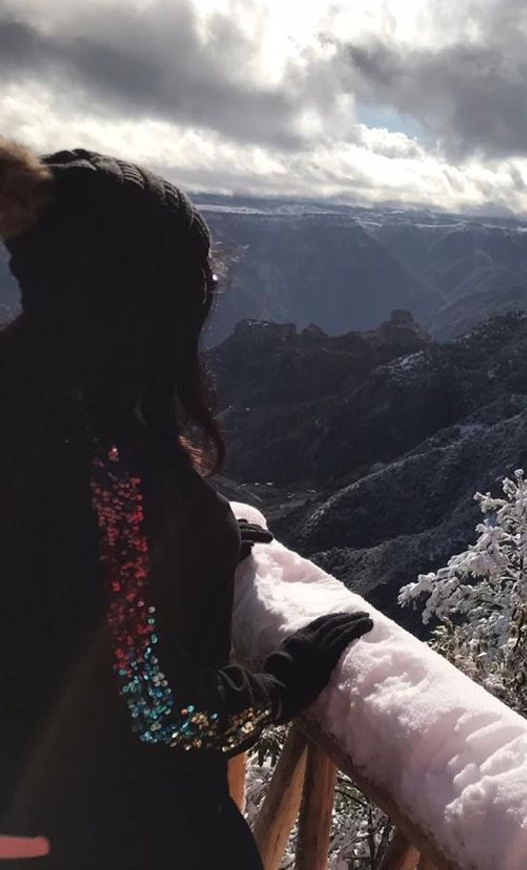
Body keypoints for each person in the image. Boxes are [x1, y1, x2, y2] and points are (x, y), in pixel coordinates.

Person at [0, 141, 375, 868]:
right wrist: (276, 687)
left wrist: (190, 550)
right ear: (138, 302)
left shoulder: (32, 413)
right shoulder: (107, 468)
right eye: (194, 286)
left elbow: (65, 596)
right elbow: (156, 710)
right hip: (119, 840)